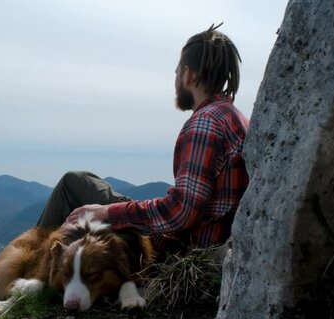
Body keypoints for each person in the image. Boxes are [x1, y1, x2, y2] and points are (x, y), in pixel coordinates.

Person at [36, 23, 249, 252]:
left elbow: (182, 211)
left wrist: (106, 213)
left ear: (188, 75)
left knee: (73, 184)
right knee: (85, 182)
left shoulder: (205, 123)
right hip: (208, 239)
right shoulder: (235, 117)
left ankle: (28, 264)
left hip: (175, 247)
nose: (176, 80)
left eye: (177, 72)